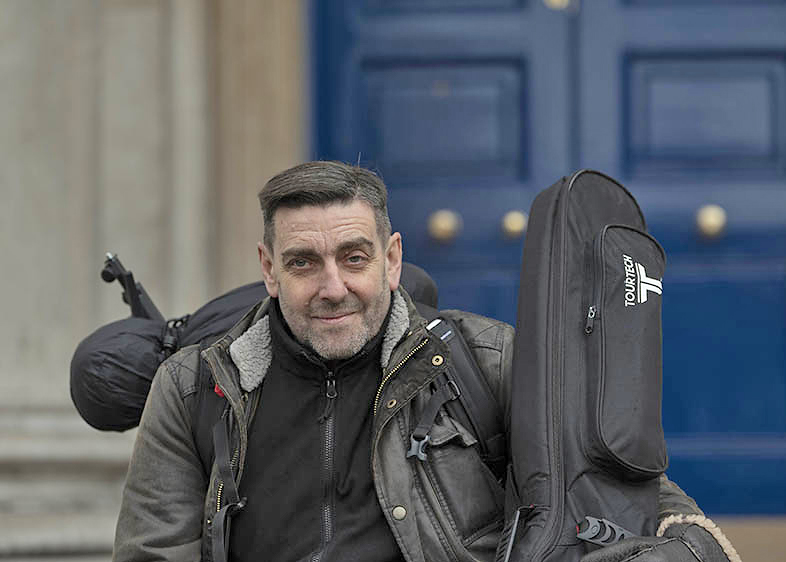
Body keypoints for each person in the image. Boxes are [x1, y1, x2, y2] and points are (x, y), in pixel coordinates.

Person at [114, 161, 738, 562]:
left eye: (354, 258)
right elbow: (152, 553)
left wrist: (685, 548)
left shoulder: (486, 361)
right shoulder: (195, 388)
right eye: (303, 262)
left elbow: (642, 499)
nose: (333, 287)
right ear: (269, 269)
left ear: (391, 259)